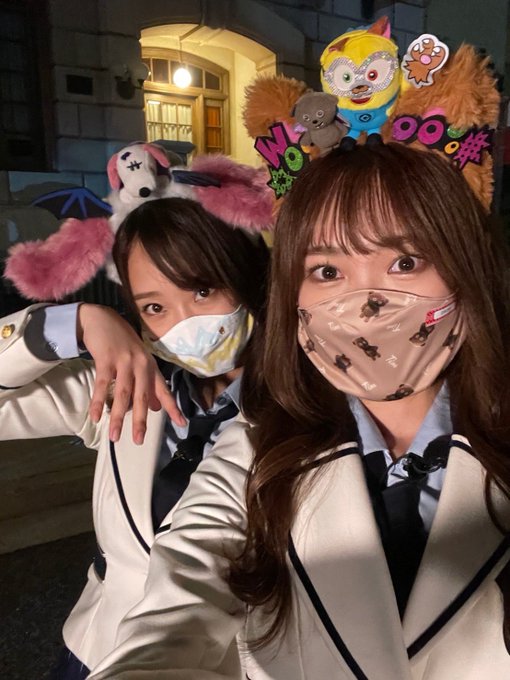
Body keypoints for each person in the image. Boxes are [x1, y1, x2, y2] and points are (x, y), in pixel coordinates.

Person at [89, 143, 510, 679]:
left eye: (405, 262)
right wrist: (82, 321)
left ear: (467, 268)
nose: (365, 302)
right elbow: (178, 603)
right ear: (293, 294)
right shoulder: (256, 449)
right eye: (327, 271)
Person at [0, 196, 269, 678]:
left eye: (203, 291)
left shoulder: (304, 416)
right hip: (100, 647)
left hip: (228, 664)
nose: (183, 322)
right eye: (154, 307)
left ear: (251, 277)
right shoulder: (119, 389)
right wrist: (71, 324)